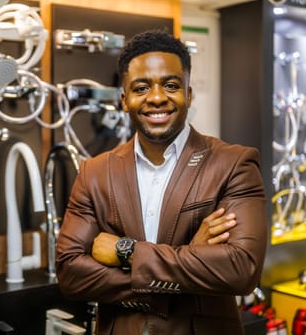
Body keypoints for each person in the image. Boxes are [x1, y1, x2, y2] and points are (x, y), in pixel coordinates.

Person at [55, 29, 268, 335]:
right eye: (142, 88)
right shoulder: (94, 173)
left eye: (170, 85)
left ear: (188, 94)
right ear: (125, 100)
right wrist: (191, 257)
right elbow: (71, 274)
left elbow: (241, 269)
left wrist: (127, 252)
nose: (156, 98)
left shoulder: (233, 164)